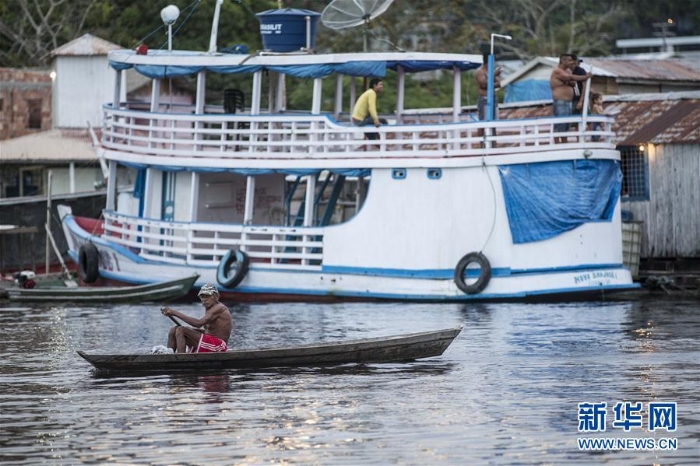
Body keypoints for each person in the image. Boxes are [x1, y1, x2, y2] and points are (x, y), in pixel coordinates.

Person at [161, 284, 231, 353]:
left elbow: (198, 323)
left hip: (219, 345)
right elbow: (207, 331)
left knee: (181, 330)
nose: (204, 299)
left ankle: (181, 358)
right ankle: (169, 354)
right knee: (174, 329)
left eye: (208, 296)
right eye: (202, 296)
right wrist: (189, 330)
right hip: (210, 341)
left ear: (217, 296)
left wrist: (174, 312)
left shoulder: (219, 308)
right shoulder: (209, 308)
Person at [550, 53, 592, 143]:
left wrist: (567, 81)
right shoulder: (557, 71)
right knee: (559, 124)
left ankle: (564, 143)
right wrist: (585, 77)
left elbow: (573, 82)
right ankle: (557, 144)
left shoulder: (568, 70)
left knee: (566, 124)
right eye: (569, 60)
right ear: (563, 61)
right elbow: (570, 77)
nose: (571, 62)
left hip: (569, 101)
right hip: (560, 101)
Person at [475, 53, 503, 121]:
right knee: (483, 122)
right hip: (484, 99)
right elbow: (484, 84)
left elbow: (499, 83)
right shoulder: (480, 72)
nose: (493, 64)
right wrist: (494, 75)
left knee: (494, 122)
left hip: (494, 99)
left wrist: (493, 77)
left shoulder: (490, 72)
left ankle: (493, 132)